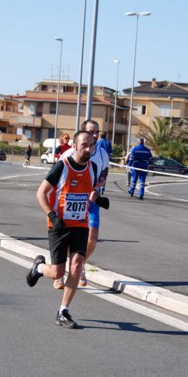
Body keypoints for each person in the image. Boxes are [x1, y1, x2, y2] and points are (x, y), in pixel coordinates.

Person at [26, 130, 109, 329]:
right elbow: (41, 193)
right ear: (74, 146)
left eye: (92, 145)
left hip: (80, 224)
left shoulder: (93, 167)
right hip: (59, 225)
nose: (89, 149)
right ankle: (39, 267)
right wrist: (52, 216)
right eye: (84, 145)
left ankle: (63, 311)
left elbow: (89, 190)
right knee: (57, 273)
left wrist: (98, 199)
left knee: (77, 265)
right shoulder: (61, 167)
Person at [57, 119, 110, 289]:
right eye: (91, 132)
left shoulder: (102, 153)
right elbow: (57, 178)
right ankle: (60, 270)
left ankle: (80, 265)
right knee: (67, 240)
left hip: (91, 200)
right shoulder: (68, 154)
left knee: (92, 239)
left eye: (97, 132)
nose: (95, 135)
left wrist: (101, 181)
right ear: (83, 133)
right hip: (71, 202)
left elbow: (105, 171)